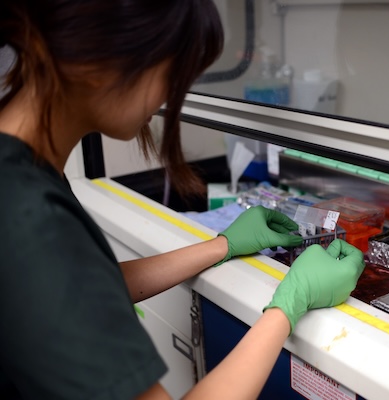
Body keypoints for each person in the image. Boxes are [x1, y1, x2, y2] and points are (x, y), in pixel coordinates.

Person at [0, 1, 366, 399]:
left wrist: (222, 246)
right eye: (173, 73)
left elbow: (79, 292)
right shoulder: (27, 214)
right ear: (100, 59)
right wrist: (287, 308)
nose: (172, 96)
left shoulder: (22, 171)